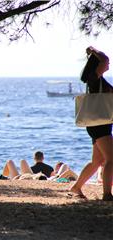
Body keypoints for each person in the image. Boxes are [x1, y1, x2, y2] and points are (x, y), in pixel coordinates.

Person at [70, 46, 113, 201]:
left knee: (98, 161)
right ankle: (107, 194)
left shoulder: (99, 80)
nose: (108, 65)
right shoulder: (93, 79)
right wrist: (92, 50)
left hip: (100, 124)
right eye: (106, 64)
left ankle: (76, 187)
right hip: (99, 125)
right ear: (98, 65)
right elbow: (104, 58)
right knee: (111, 158)